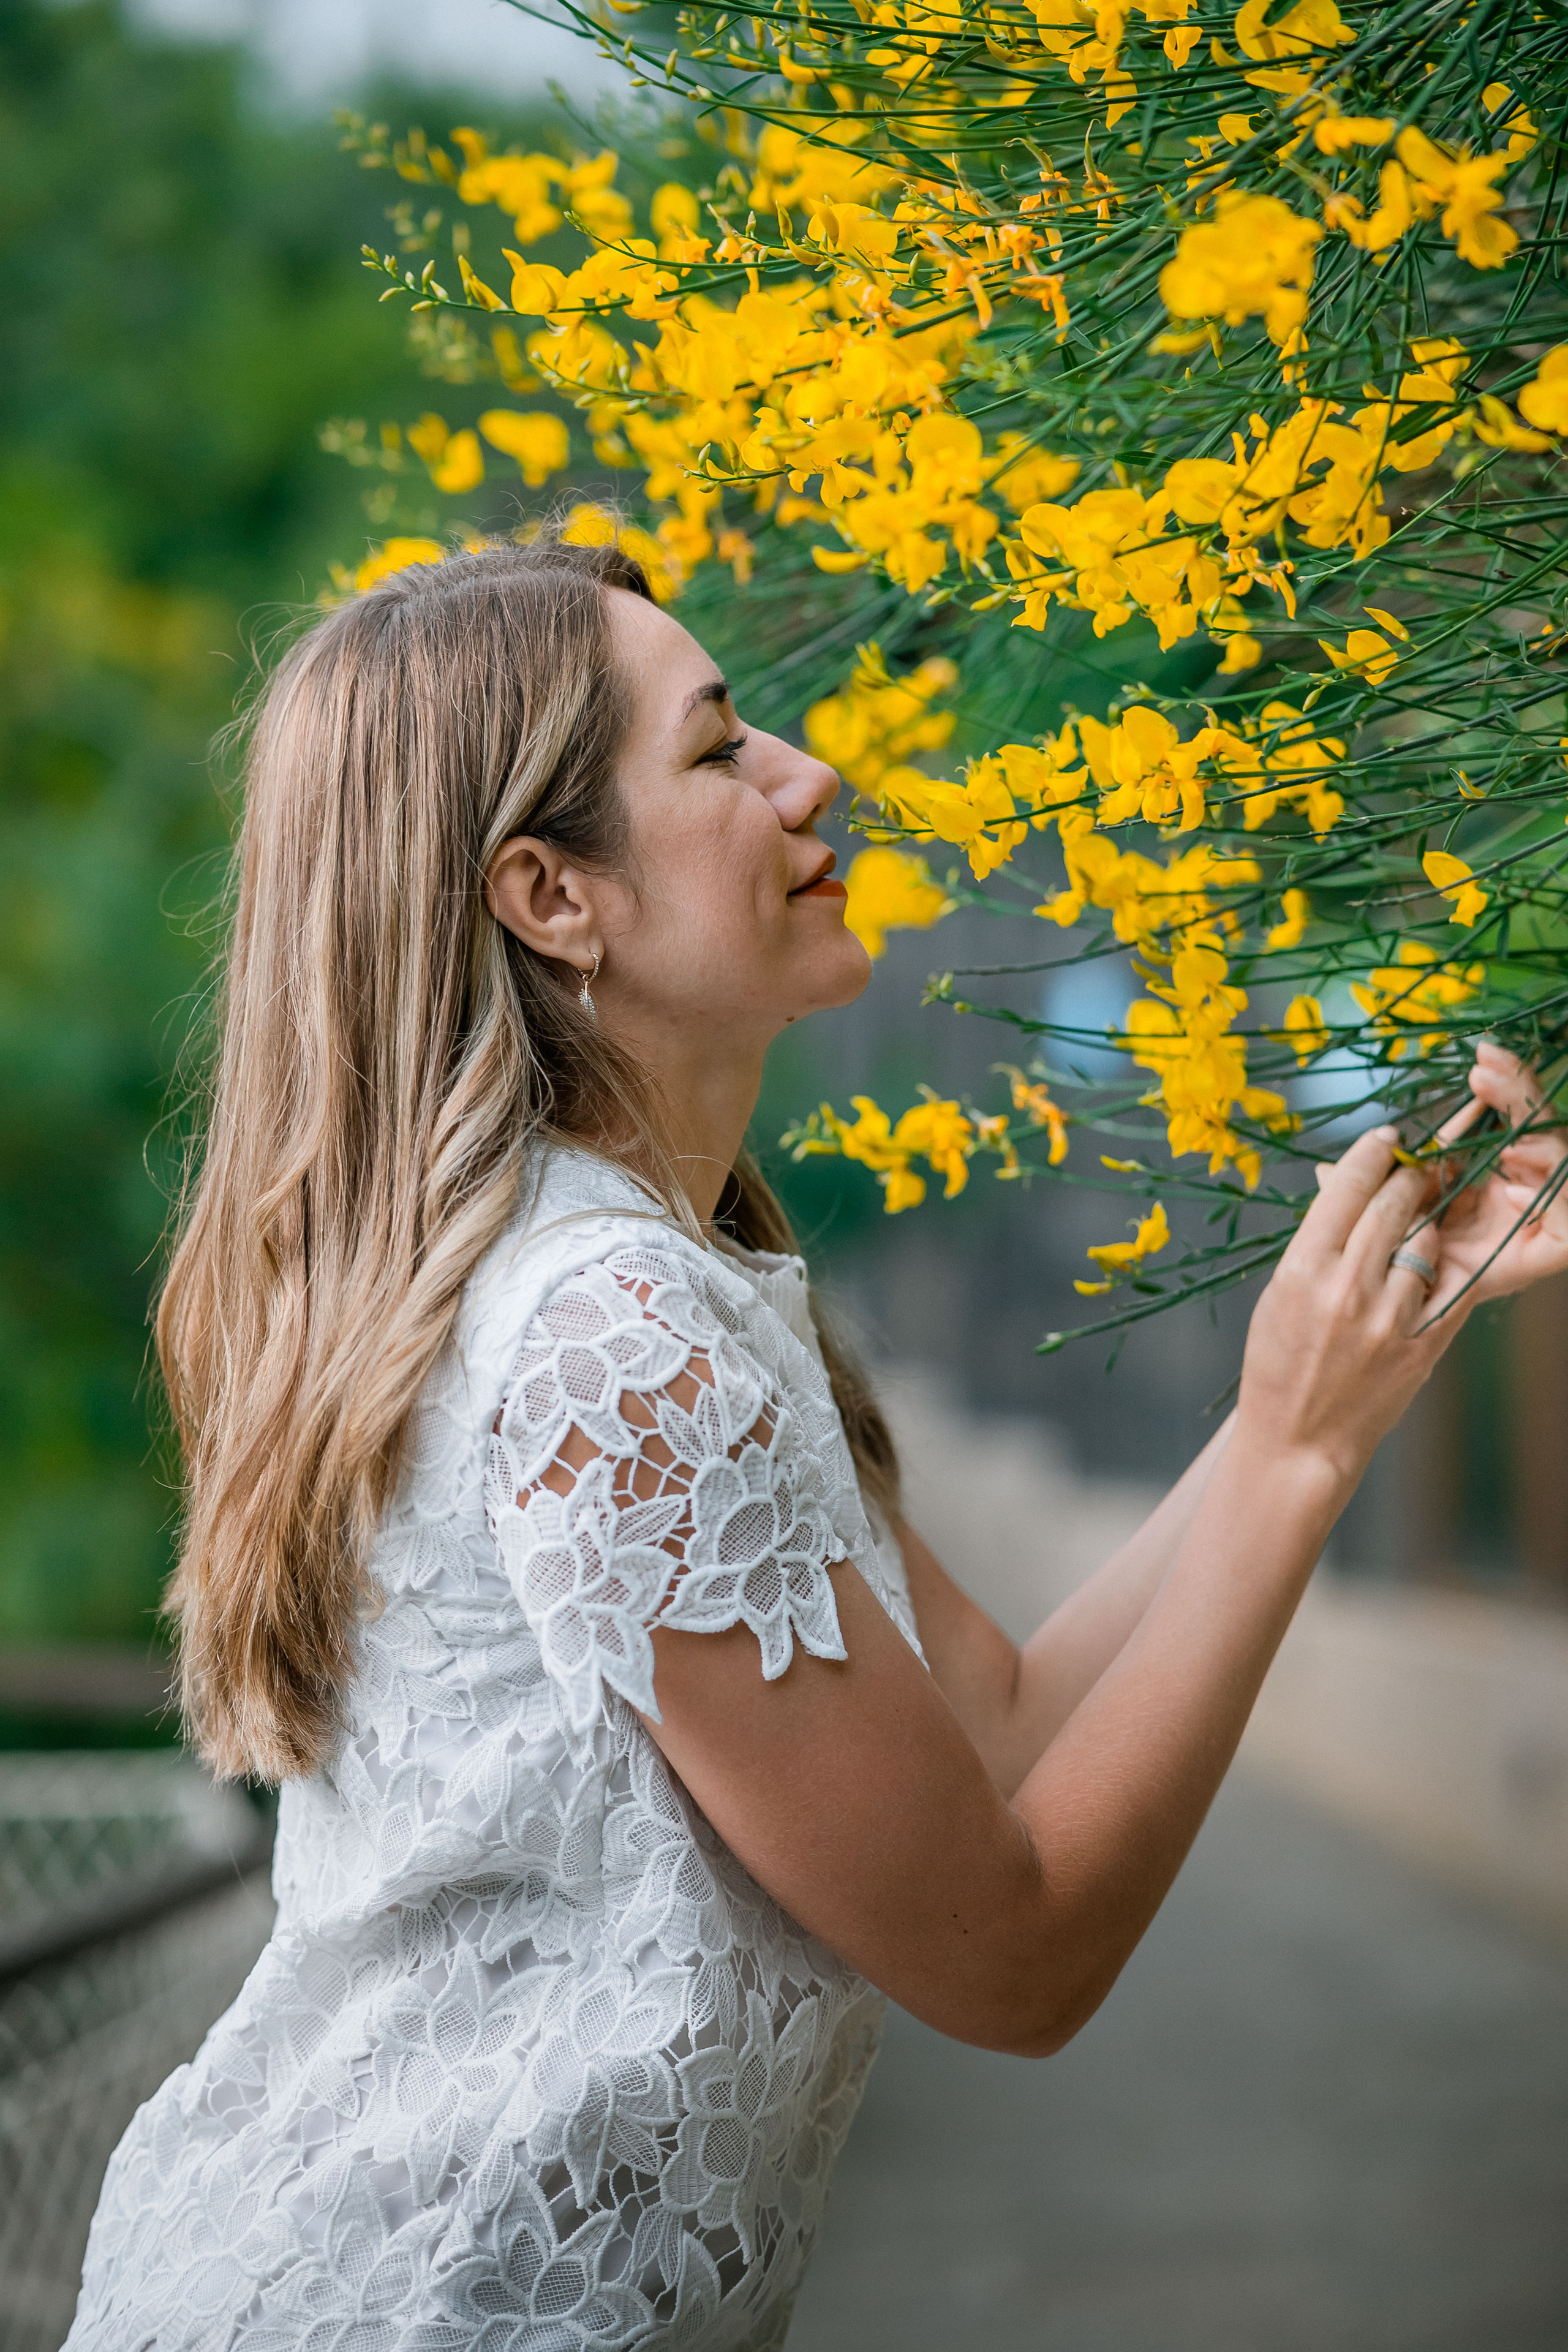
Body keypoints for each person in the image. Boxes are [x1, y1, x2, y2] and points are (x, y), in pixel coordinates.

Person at [66, 537, 1568, 2351]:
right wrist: (1298, 1463)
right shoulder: (607, 1349)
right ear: (552, 895)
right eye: (715, 753)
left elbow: (999, 1728)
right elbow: (1010, 1955)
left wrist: (1314, 1390)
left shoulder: (662, 1282)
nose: (809, 773)